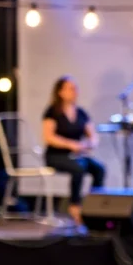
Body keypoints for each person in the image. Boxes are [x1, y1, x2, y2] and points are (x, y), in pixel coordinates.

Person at [41, 77, 105, 230]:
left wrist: (89, 144)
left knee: (99, 169)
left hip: (78, 155)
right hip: (56, 155)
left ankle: (94, 206)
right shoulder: (52, 112)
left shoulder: (81, 113)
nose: (74, 92)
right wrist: (71, 144)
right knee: (78, 168)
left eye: (75, 88)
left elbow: (93, 136)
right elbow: (49, 137)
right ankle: (74, 208)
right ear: (60, 92)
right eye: (70, 88)